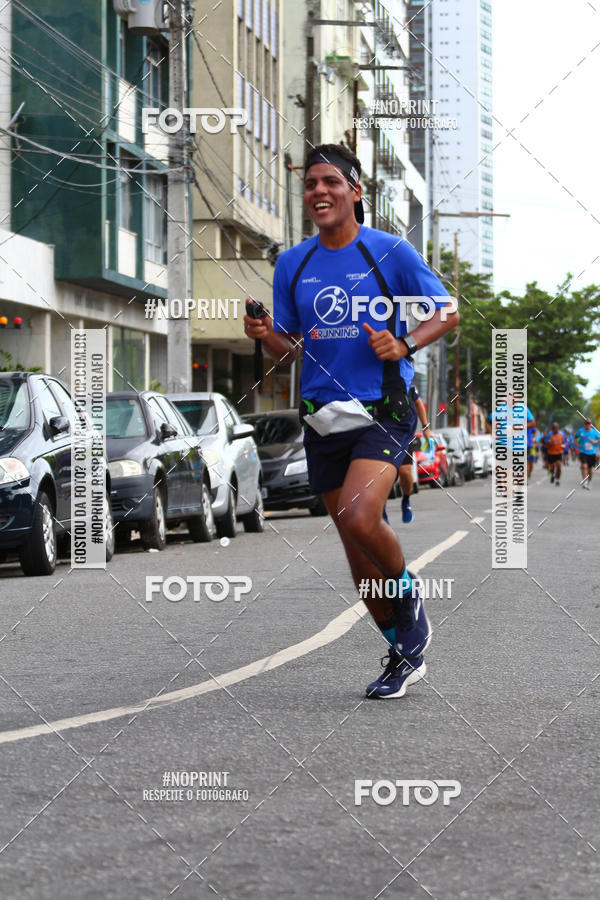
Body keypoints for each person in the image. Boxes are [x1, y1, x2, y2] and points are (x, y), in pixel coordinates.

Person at [244, 143, 458, 699]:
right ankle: (403, 652)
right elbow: (289, 351)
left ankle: (408, 599)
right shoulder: (293, 264)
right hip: (321, 415)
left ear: (355, 192)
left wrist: (404, 342)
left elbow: (447, 311)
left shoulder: (389, 252)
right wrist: (267, 336)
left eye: (331, 182)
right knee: (355, 548)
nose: (318, 191)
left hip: (381, 407)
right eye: (311, 182)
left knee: (363, 519)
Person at [397, 387, 433, 524]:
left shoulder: (408, 385)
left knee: (405, 473)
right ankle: (380, 509)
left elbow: (418, 403)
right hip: (383, 434)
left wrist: (426, 428)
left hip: (404, 435)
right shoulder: (375, 380)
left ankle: (406, 500)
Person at [575, 417, 600, 489]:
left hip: (592, 453)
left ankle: (590, 481)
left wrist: (594, 441)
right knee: (584, 466)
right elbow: (575, 438)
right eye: (586, 423)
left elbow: (599, 439)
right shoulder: (580, 431)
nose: (587, 425)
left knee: (590, 469)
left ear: (591, 424)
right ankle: (585, 481)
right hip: (583, 452)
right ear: (584, 424)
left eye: (588, 423)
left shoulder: (594, 432)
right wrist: (577, 444)